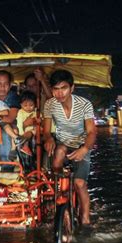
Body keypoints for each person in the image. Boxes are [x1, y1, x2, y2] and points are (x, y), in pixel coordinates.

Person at [43, 69, 96, 228]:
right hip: (62, 145)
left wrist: (85, 149)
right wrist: (49, 138)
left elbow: (92, 131)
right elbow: (46, 131)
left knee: (80, 183)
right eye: (56, 89)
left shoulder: (84, 104)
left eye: (64, 88)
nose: (60, 93)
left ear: (72, 88)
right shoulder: (50, 104)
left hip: (81, 146)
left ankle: (86, 219)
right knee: (58, 154)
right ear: (52, 90)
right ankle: (57, 192)